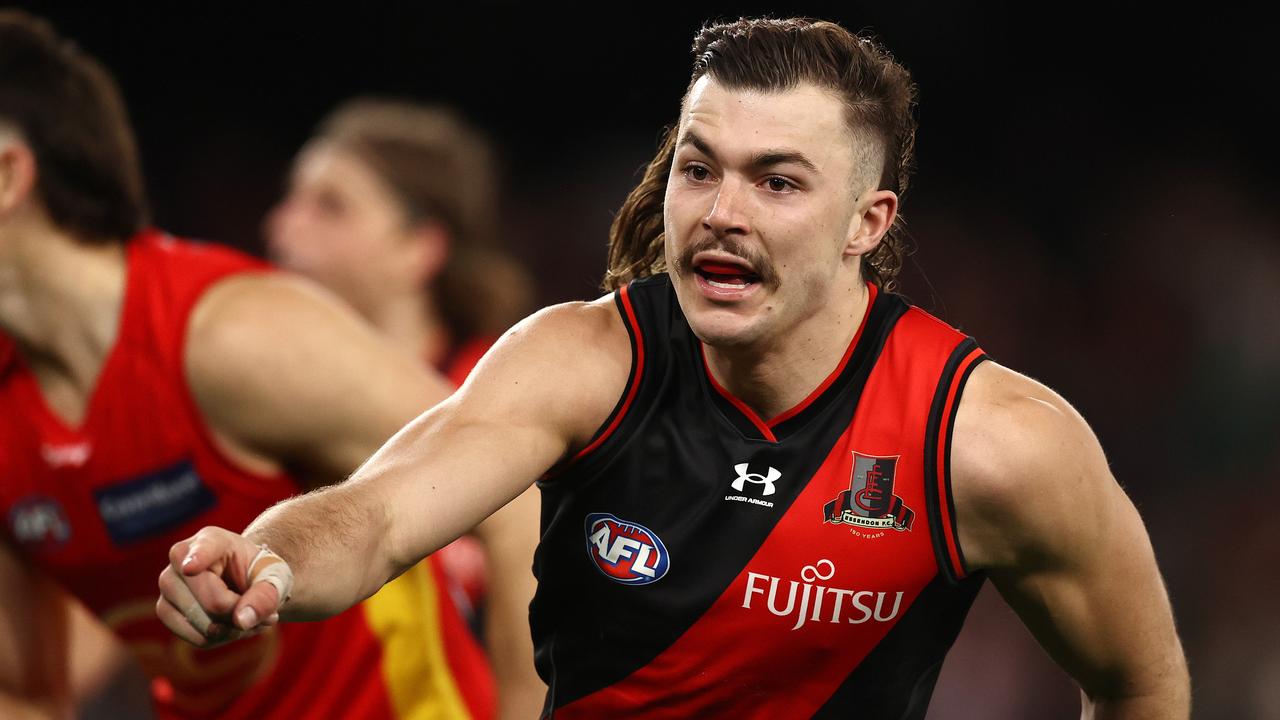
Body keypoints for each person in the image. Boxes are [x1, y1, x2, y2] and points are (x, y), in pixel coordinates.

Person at [159, 17, 1191, 718]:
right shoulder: (583, 362)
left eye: (776, 182)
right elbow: (375, 513)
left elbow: (1141, 686)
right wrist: (271, 558)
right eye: (698, 169)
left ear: (864, 224)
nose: (719, 212)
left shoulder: (989, 444)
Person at [0, 10, 533, 719]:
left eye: (330, 205)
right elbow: (30, 694)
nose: (285, 224)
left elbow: (526, 490)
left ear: (9, 174)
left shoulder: (234, 336)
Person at [265, 98, 544, 710]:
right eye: (291, 198)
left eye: (330, 206)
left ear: (419, 247)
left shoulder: (509, 394)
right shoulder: (260, 399)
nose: (283, 227)